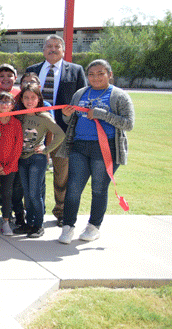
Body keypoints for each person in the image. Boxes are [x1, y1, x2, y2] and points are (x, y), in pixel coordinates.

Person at [58, 60, 135, 244]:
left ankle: (93, 227)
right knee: (74, 188)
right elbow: (70, 121)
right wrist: (66, 115)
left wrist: (101, 114)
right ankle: (68, 227)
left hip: (106, 147)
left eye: (101, 73)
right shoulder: (80, 94)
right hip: (79, 146)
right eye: (91, 74)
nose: (96, 77)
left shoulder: (119, 96)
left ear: (110, 74)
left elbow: (128, 124)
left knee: (99, 189)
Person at [26, 34, 87, 226]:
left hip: (63, 130)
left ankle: (61, 212)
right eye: (49, 46)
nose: (53, 49)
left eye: (57, 46)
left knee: (62, 175)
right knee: (33, 173)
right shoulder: (32, 70)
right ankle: (34, 213)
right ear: (43, 50)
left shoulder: (76, 71)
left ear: (63, 49)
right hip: (34, 131)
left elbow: (82, 98)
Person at [15, 82, 65, 238]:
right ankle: (29, 223)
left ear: (38, 99)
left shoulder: (44, 116)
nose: (29, 101)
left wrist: (47, 149)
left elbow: (60, 134)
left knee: (35, 193)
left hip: (37, 158)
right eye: (26, 98)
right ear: (22, 99)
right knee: (27, 194)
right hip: (22, 159)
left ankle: (38, 224)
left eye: (33, 98)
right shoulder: (20, 115)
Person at [0, 92, 23, 236]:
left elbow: (18, 146)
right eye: (1, 102)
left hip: (10, 166)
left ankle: (6, 221)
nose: (4, 105)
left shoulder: (16, 123)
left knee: (7, 193)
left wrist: (8, 166)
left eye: (8, 102)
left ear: (13, 106)